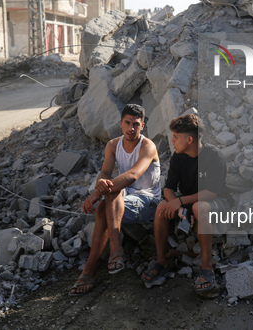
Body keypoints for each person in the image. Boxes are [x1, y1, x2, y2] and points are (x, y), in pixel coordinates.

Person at [69, 104, 161, 297]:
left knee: (106, 199)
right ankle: (114, 252)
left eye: (135, 124)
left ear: (142, 126)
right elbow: (105, 172)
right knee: (108, 196)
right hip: (122, 198)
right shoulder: (113, 145)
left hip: (149, 201)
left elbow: (133, 175)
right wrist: (100, 183)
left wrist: (96, 194)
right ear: (120, 124)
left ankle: (92, 267)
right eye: (127, 123)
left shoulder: (148, 146)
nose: (131, 128)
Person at [141, 114, 231, 294]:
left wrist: (181, 202)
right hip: (188, 199)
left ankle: (207, 267)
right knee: (161, 207)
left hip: (216, 200)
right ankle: (161, 261)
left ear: (189, 139)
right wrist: (177, 205)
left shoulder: (214, 156)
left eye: (176, 137)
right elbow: (168, 188)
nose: (172, 141)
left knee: (199, 207)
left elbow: (211, 192)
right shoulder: (178, 157)